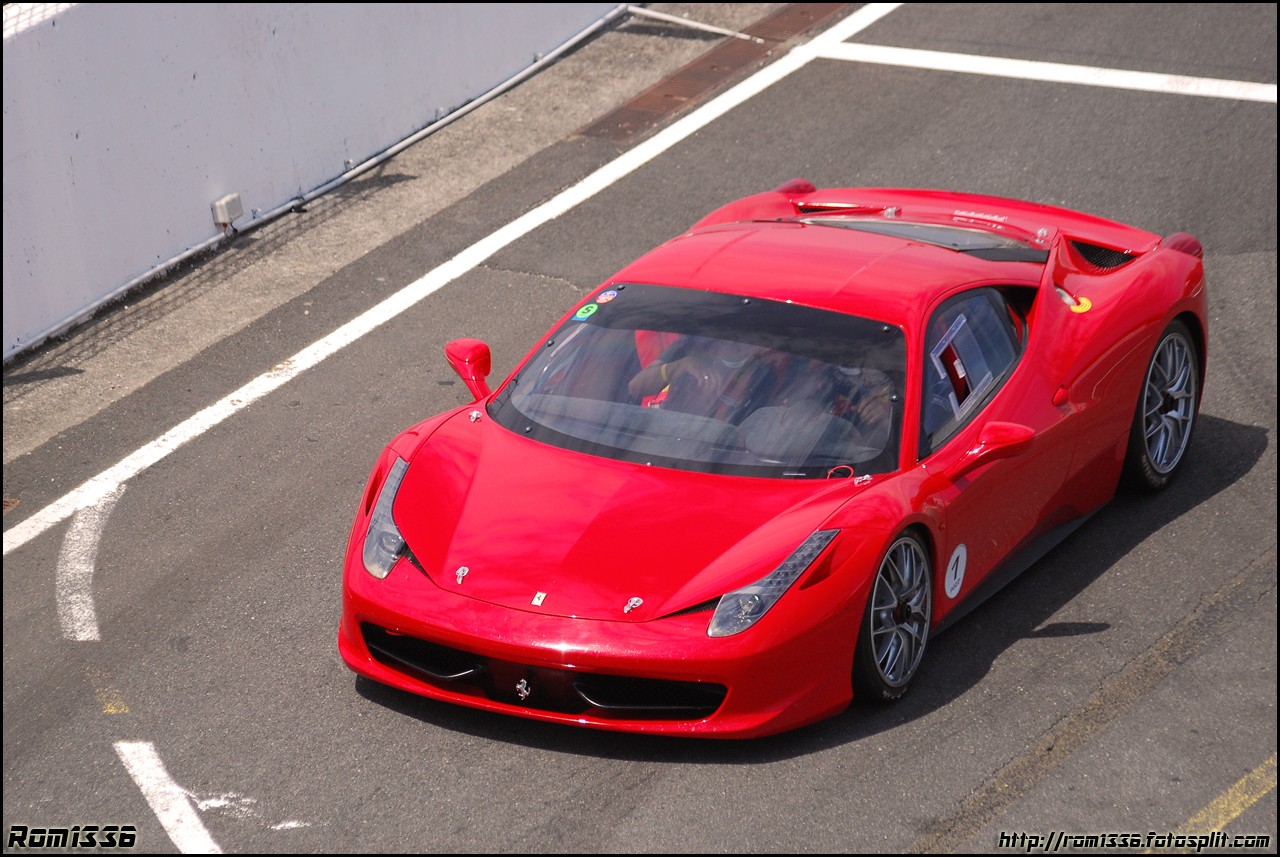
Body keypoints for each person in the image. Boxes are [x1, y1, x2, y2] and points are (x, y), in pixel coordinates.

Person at [627, 335, 782, 421]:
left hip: (719, 455)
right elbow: (636, 387)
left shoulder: (765, 372)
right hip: (667, 437)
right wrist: (678, 367)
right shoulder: (694, 344)